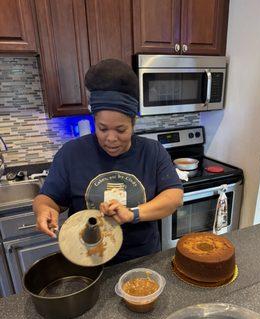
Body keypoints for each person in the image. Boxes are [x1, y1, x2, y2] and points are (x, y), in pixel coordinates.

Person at [33, 59, 183, 264]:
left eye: (121, 130)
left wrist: (132, 214)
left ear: (133, 123)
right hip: (89, 262)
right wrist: (43, 210)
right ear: (94, 121)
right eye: (103, 129)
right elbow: (47, 199)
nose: (111, 139)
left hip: (142, 260)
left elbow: (174, 196)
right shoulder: (71, 153)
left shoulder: (152, 152)